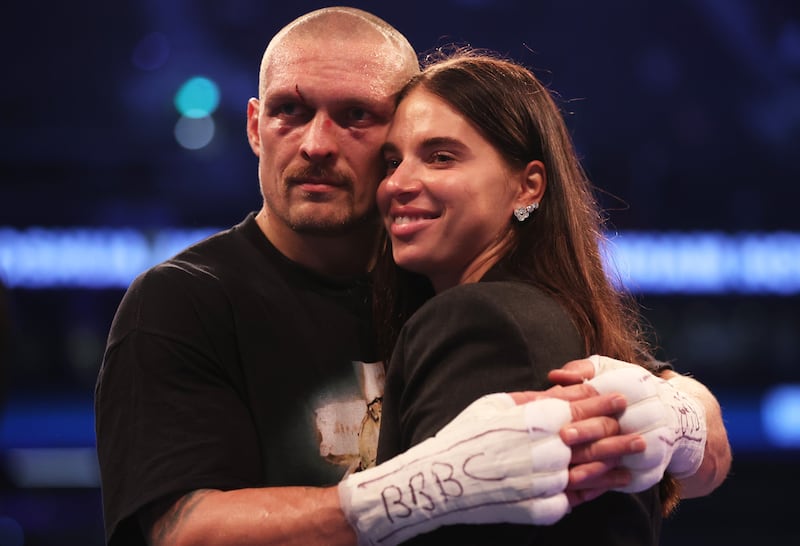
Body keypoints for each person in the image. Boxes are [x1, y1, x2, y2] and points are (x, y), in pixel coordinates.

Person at [93, 7, 730, 546]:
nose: (316, 142)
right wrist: (403, 496)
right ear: (257, 126)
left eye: (355, 117)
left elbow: (702, 456)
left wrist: (683, 413)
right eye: (291, 110)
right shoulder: (182, 301)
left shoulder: (446, 281)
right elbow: (177, 530)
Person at [369, 49, 716, 544]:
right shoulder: (562, 316)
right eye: (391, 161)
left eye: (441, 156)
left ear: (528, 188)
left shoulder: (478, 321)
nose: (397, 183)